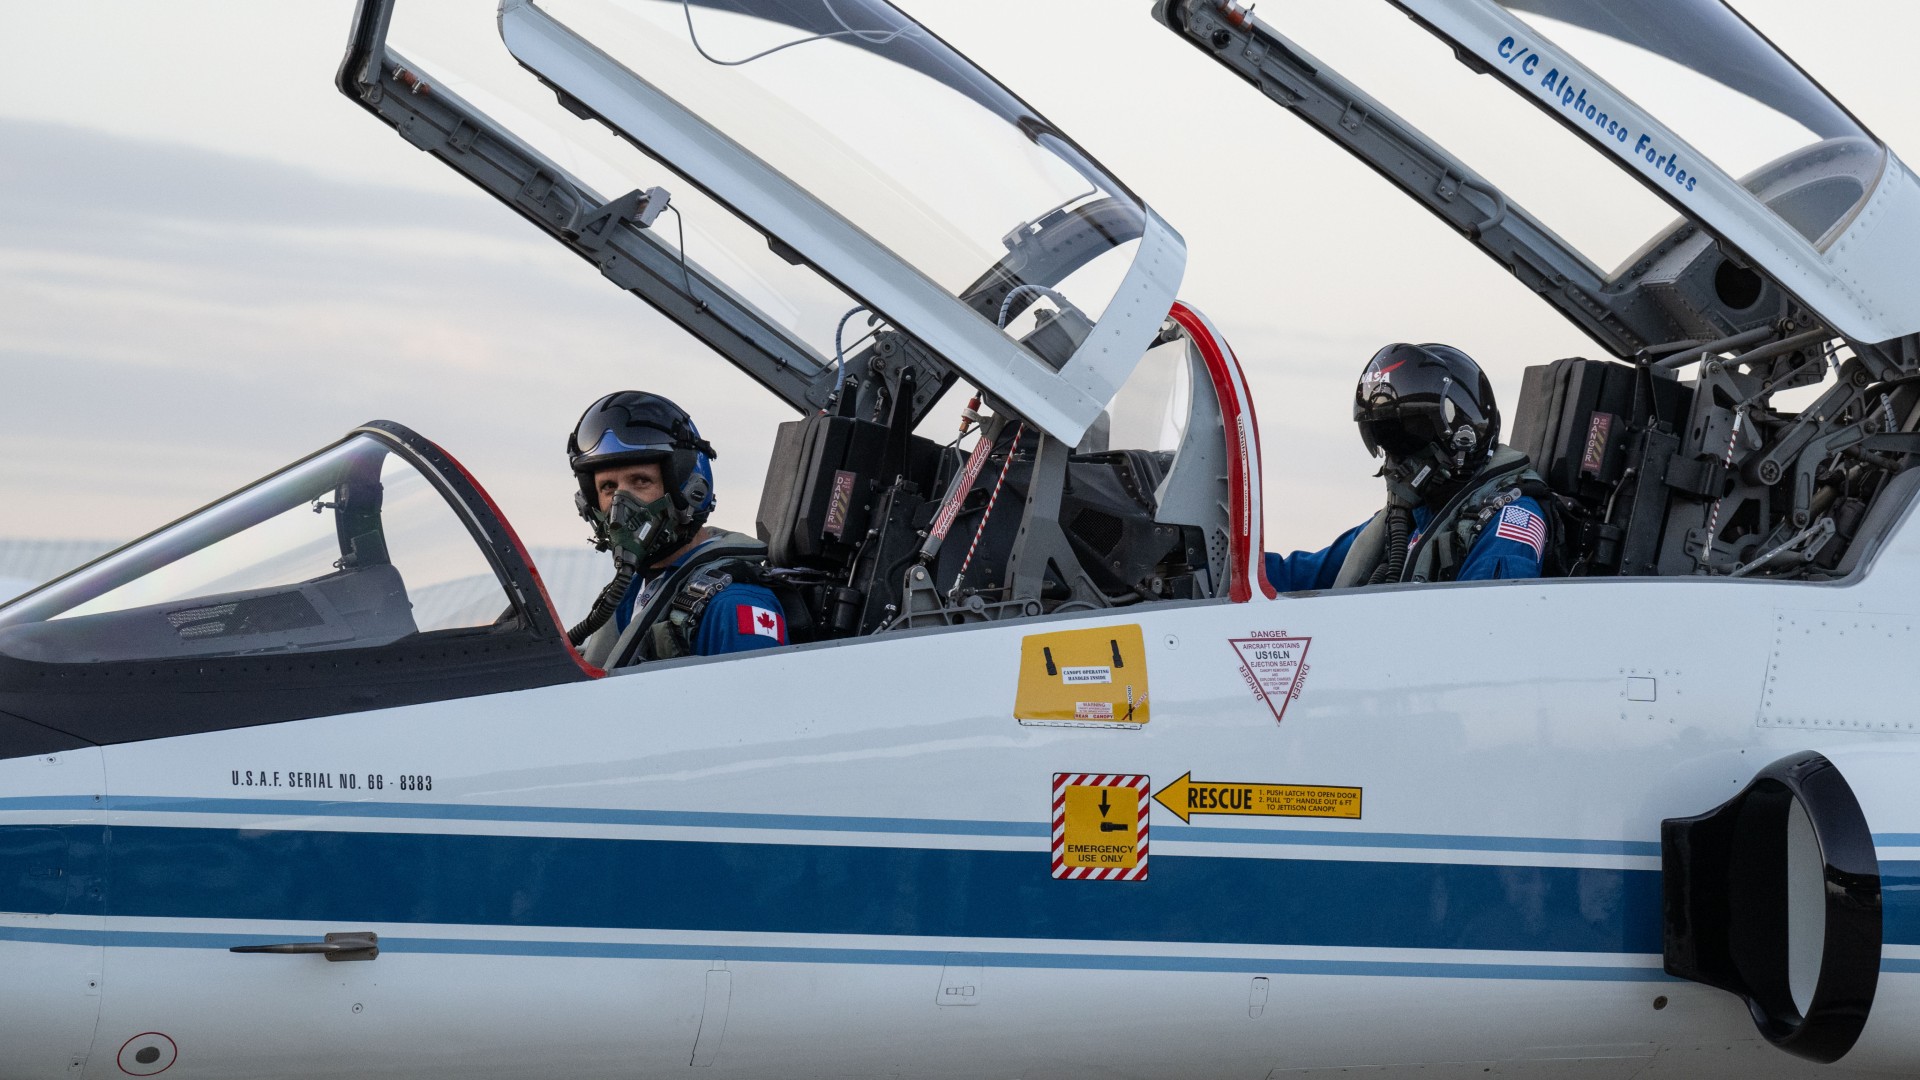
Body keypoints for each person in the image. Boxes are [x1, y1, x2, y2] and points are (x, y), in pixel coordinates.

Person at [1266, 342, 1549, 591]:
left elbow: (1482, 629)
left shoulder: (1511, 522)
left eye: (1407, 438)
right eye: (1386, 439)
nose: (1395, 460)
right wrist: (1227, 562)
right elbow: (1296, 576)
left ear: (1462, 436)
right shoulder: (1411, 518)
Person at [565, 391, 787, 662]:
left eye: (640, 481)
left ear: (690, 490)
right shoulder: (632, 594)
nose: (619, 504)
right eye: (608, 487)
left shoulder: (733, 607)